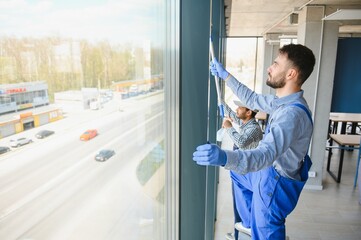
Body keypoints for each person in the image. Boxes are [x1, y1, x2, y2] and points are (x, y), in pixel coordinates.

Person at [193, 44, 315, 239]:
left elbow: (264, 155)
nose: (270, 67)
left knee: (266, 233)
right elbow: (252, 99)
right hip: (266, 174)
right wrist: (226, 76)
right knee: (237, 174)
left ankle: (259, 224)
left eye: (276, 64)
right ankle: (251, 223)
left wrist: (225, 157)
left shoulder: (291, 115)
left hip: (274, 186)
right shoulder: (282, 102)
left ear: (291, 73)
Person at [221, 100, 263, 240]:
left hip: (247, 172)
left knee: (244, 201)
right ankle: (239, 233)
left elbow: (241, 142)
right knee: (239, 203)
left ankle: (246, 231)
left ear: (249, 112)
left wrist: (228, 127)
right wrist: (221, 102)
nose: (237, 109)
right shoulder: (245, 123)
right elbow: (231, 113)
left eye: (240, 108)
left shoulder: (254, 129)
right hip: (243, 169)